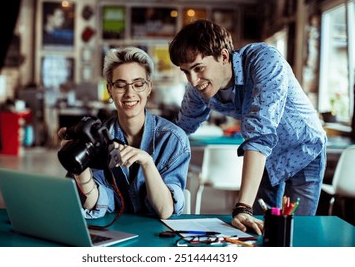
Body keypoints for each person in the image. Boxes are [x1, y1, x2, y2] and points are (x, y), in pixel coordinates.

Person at [168, 19, 327, 235]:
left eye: (198, 68)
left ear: (224, 56)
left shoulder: (264, 59)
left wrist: (243, 207)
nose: (193, 81)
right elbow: (180, 130)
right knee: (257, 231)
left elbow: (260, 133)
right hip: (266, 160)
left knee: (295, 234)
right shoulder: (197, 87)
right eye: (186, 72)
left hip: (303, 151)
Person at [58, 47, 191, 220]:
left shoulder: (173, 139)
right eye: (120, 85)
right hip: (113, 235)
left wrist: (147, 162)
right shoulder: (98, 139)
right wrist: (79, 165)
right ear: (110, 90)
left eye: (138, 84)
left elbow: (165, 211)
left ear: (149, 87)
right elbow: (92, 202)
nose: (130, 93)